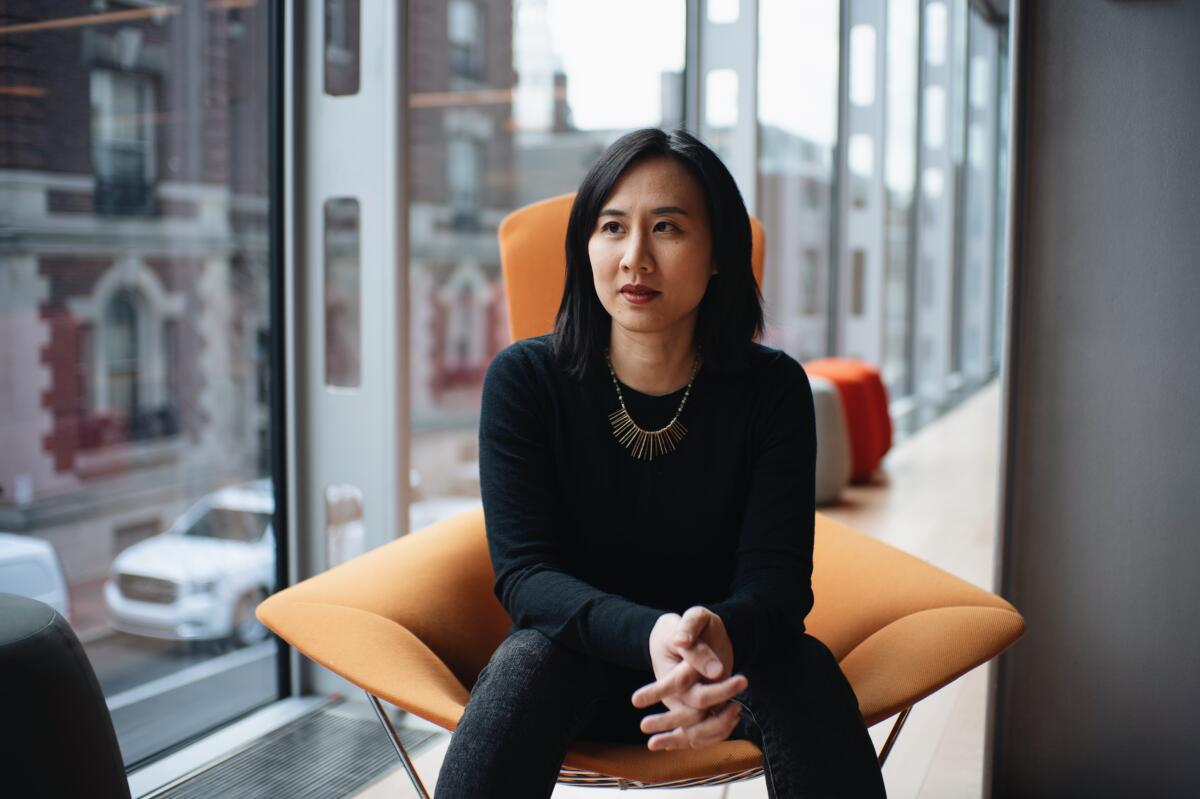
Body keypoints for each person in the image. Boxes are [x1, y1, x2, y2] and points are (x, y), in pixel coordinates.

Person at [434, 128, 886, 798]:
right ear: (585, 246)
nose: (634, 257)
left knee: (804, 667)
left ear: (718, 256)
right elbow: (526, 575)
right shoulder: (525, 380)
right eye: (612, 227)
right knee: (523, 661)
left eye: (667, 228)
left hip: (727, 663)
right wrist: (651, 631)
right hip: (571, 659)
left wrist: (717, 638)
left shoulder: (773, 389)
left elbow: (780, 581)